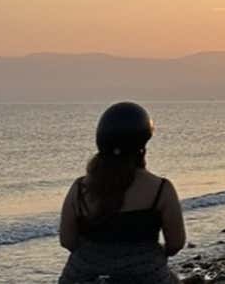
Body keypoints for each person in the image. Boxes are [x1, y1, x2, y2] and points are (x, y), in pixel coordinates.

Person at [58, 102, 186, 284]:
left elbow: (67, 241)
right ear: (142, 144)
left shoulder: (80, 188)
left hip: (83, 276)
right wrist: (148, 256)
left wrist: (96, 256)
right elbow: (176, 243)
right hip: (146, 275)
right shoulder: (161, 189)